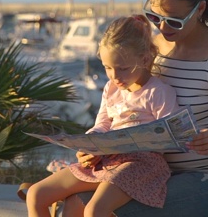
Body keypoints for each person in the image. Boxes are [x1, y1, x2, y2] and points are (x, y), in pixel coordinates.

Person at [63, 0, 208, 217]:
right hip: (149, 169)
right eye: (155, 17)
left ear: (200, 9)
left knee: (104, 209)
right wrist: (95, 146)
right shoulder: (152, 49)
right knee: (74, 201)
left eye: (174, 21)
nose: (162, 28)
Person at [25, 14, 180, 217]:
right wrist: (89, 144)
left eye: (123, 68)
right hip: (106, 158)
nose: (115, 76)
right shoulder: (111, 88)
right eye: (108, 68)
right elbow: (103, 123)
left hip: (141, 165)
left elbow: (171, 135)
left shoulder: (158, 91)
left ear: (144, 59)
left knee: (95, 210)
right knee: (36, 194)